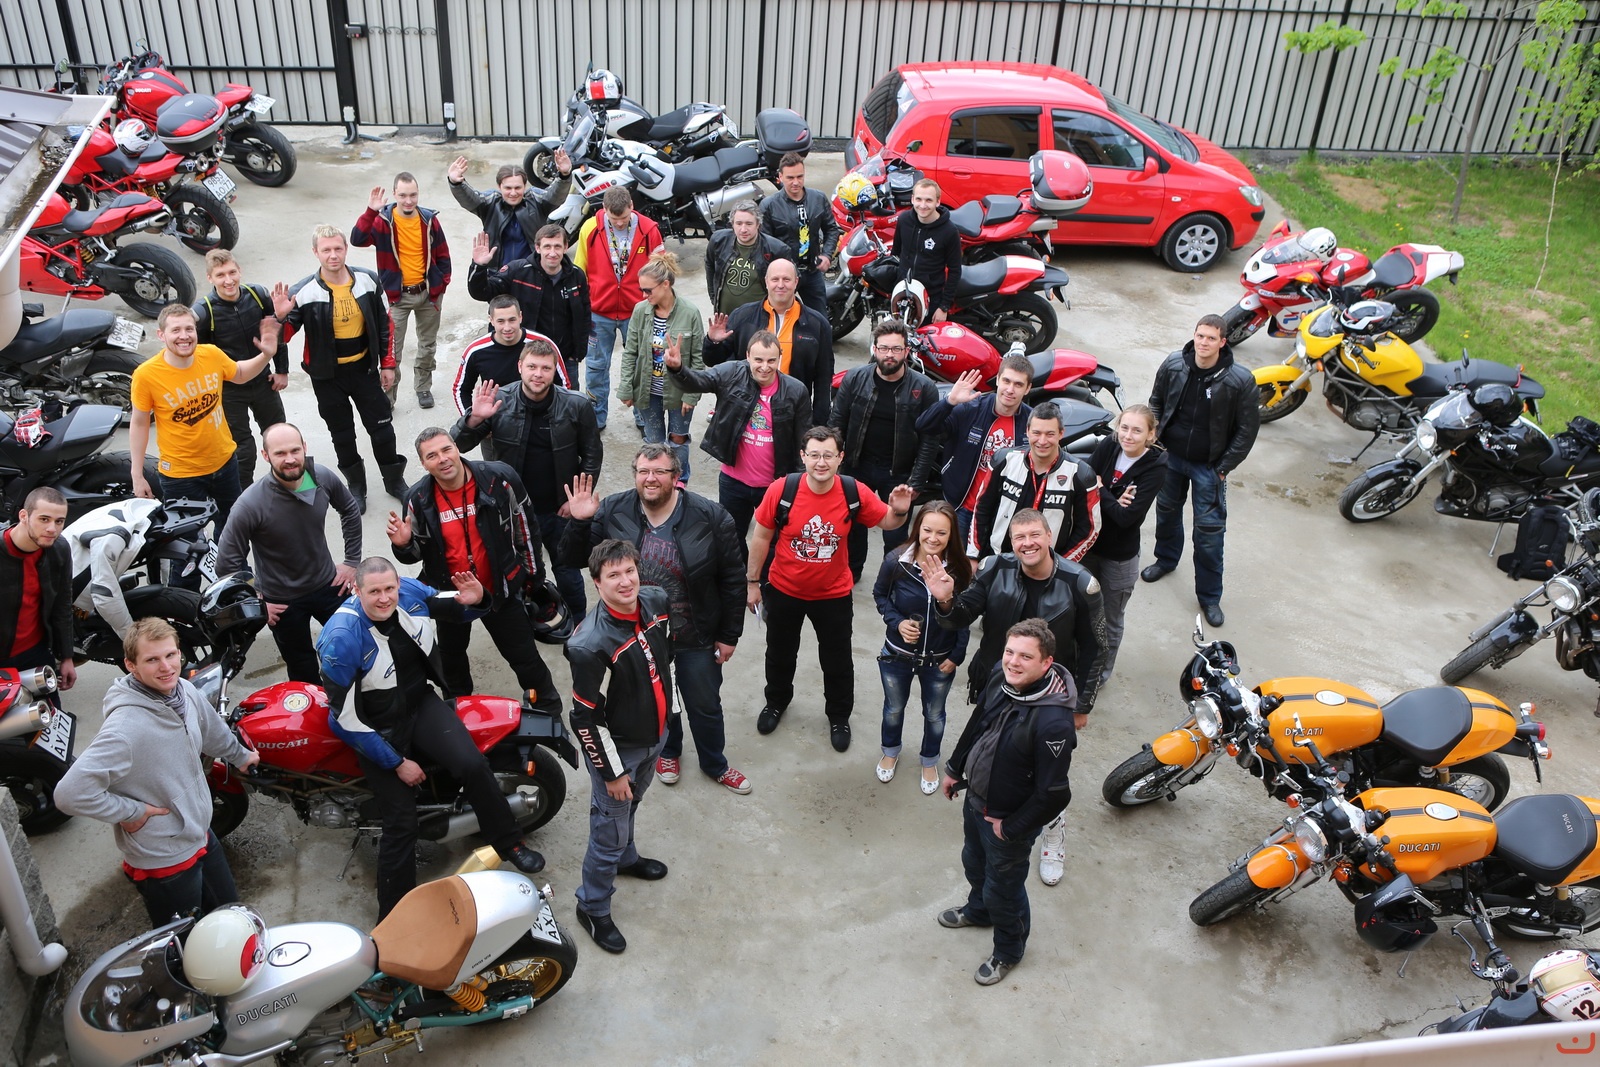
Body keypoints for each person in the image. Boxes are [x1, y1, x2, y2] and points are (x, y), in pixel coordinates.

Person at [319, 558, 546, 919]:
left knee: (472, 764)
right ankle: (394, 918)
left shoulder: (411, 593)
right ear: (356, 591)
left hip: (420, 703)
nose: (384, 598)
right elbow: (344, 720)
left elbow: (456, 607)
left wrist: (478, 599)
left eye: (389, 588)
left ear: (398, 584)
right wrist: (397, 762)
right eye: (374, 592)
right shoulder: (340, 639)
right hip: (376, 726)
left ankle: (509, 842)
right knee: (401, 822)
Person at [926, 508, 1105, 889]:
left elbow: (1095, 648)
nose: (1027, 544)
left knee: (1046, 772)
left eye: (1034, 535)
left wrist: (1081, 704)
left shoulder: (1080, 583)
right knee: (996, 749)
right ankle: (990, 807)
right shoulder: (995, 569)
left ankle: (1052, 832)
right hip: (997, 684)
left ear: (1050, 537)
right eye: (1019, 537)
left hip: (1048, 696)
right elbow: (960, 617)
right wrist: (945, 600)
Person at [560, 445, 751, 795]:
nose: (650, 479)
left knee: (705, 705)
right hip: (639, 638)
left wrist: (729, 635)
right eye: (643, 471)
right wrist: (580, 521)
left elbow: (733, 579)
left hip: (696, 636)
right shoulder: (613, 509)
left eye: (660, 472)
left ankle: (715, 763)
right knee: (660, 704)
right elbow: (573, 559)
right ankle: (669, 752)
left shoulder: (712, 516)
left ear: (676, 477)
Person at [54, 618, 260, 925]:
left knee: (231, 914)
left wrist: (241, 756)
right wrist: (131, 811)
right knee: (183, 939)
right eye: (152, 659)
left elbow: (212, 730)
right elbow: (69, 794)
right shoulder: (125, 729)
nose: (166, 667)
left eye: (171, 654)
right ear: (131, 665)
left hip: (199, 832)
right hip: (165, 857)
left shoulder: (183, 690)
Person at [747, 427, 914, 752]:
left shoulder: (853, 491)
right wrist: (753, 582)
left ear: (840, 458)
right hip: (784, 590)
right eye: (814, 455)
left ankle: (838, 716)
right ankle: (776, 702)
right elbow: (762, 536)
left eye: (828, 455)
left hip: (833, 595)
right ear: (803, 457)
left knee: (837, 660)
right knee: (779, 653)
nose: (820, 462)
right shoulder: (783, 489)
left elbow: (887, 522)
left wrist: (900, 510)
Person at [936, 618, 1076, 987]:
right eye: (1009, 652)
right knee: (973, 861)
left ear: (1046, 663)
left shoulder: (1054, 723)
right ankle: (979, 911)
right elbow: (978, 722)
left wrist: (1010, 828)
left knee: (1004, 889)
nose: (1013, 662)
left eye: (1025, 656)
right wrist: (954, 768)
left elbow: (1055, 794)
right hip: (976, 800)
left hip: (1006, 821)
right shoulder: (1003, 676)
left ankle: (1009, 950)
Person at [388, 427, 563, 711]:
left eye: (446, 449)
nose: (442, 459)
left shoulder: (500, 479)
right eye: (432, 455)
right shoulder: (417, 498)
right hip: (451, 596)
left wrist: (533, 578)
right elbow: (414, 555)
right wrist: (404, 544)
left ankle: (549, 710)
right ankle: (459, 712)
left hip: (499, 590)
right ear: (423, 463)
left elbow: (526, 529)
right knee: (452, 661)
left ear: (457, 448)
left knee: (526, 659)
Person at [565, 539, 676, 954]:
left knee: (633, 807)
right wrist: (612, 774)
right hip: (620, 752)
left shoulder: (656, 602)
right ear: (597, 583)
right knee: (608, 831)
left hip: (655, 736)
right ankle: (592, 906)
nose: (626, 581)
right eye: (613, 575)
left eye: (629, 570)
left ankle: (627, 861)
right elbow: (584, 718)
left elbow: (666, 661)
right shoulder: (588, 644)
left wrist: (671, 718)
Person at [452, 339, 602, 620]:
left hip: (559, 509)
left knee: (567, 571)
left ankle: (579, 623)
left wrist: (574, 501)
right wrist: (474, 419)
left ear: (555, 370)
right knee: (517, 571)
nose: (538, 374)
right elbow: (458, 444)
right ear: (520, 366)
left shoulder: (577, 405)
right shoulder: (500, 400)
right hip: (512, 512)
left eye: (545, 368)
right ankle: (527, 618)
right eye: (532, 367)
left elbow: (592, 455)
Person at [271, 225, 408, 513]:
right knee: (342, 435)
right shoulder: (303, 291)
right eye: (326, 250)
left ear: (346, 249)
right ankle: (356, 487)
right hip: (327, 377)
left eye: (338, 248)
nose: (333, 255)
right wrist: (279, 318)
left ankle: (395, 481)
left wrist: (388, 364)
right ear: (315, 252)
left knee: (383, 430)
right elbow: (282, 338)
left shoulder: (368, 280)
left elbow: (386, 324)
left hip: (365, 371)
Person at [215, 423, 363, 683]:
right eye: (280, 453)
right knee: (302, 669)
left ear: (305, 447)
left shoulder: (321, 477)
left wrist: (352, 561)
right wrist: (256, 602)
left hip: (329, 586)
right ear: (265, 456)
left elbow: (350, 510)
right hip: (281, 602)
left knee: (354, 650)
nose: (290, 459)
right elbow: (226, 563)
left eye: (295, 450)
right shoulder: (250, 504)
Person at [1143, 315, 1261, 627]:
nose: (1203, 343)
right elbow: (1156, 402)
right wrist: (1155, 440)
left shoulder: (1240, 381)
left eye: (1211, 338)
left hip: (1209, 467)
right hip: (1170, 457)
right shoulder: (1174, 365)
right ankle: (1166, 560)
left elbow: (1247, 431)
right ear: (1193, 335)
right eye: (1200, 336)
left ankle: (1209, 597)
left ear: (1223, 342)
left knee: (1209, 535)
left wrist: (1223, 468)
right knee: (1166, 512)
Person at [130, 304, 276, 536]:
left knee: (233, 532)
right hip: (181, 475)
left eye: (189, 329)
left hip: (225, 463)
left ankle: (227, 561)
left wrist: (266, 355)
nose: (184, 336)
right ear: (161, 335)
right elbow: (139, 423)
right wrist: (137, 475)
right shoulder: (146, 375)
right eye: (176, 330)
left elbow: (238, 373)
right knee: (185, 543)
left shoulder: (210, 354)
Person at [666, 330, 808, 537]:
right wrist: (677, 369)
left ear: (780, 357)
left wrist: (801, 483)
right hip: (733, 482)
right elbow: (699, 381)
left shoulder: (796, 391)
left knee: (774, 540)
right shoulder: (731, 372)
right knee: (731, 537)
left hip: (775, 486)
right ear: (747, 356)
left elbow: (803, 441)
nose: (765, 367)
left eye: (771, 360)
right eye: (758, 360)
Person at [829, 318, 941, 582]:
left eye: (896, 349)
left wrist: (916, 482)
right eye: (884, 348)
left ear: (906, 351)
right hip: (857, 467)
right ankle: (852, 573)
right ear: (875, 349)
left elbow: (930, 440)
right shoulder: (855, 378)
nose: (890, 354)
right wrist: (834, 466)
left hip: (898, 474)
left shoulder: (924, 388)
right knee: (853, 526)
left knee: (896, 535)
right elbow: (836, 424)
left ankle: (891, 580)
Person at [872, 501, 970, 795]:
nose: (933, 538)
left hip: (939, 660)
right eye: (927, 530)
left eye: (942, 532)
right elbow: (880, 595)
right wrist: (898, 623)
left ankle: (929, 760)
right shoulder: (896, 561)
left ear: (951, 535)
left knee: (934, 714)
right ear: (918, 529)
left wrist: (957, 655)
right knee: (893, 709)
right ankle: (890, 751)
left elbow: (964, 615)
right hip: (897, 656)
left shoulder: (959, 568)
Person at [351, 172, 453, 407]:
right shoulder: (383, 221)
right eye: (403, 195)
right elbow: (357, 239)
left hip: (428, 295)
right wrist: (370, 212)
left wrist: (442, 284)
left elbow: (443, 253)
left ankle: (423, 388)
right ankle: (388, 398)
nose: (408, 201)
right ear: (394, 194)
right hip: (397, 297)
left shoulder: (429, 220)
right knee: (391, 351)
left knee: (427, 346)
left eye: (413, 195)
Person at [1081, 406, 1166, 685]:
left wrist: (1100, 489)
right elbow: (1083, 479)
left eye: (1137, 430)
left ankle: (1100, 674)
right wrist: (1113, 498)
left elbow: (1126, 518)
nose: (1128, 435)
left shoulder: (1155, 468)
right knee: (1080, 607)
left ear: (1150, 435)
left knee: (1109, 619)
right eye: (1124, 427)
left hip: (1118, 557)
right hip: (1089, 545)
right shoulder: (1110, 445)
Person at [915, 356, 1034, 552]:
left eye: (1018, 384)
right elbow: (924, 426)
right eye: (1006, 381)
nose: (1010, 389)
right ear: (998, 380)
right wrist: (949, 402)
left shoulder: (1032, 422)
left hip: (1000, 515)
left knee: (987, 565)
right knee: (952, 562)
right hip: (961, 506)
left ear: (1028, 388)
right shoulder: (971, 408)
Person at [192, 249, 289, 485]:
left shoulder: (257, 295)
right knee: (243, 451)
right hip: (229, 391)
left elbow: (274, 333)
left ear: (239, 271)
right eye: (220, 275)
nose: (228, 280)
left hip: (264, 382)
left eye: (232, 272)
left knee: (281, 439)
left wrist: (282, 370)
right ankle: (244, 499)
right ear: (210, 278)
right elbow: (199, 358)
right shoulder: (204, 312)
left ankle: (294, 488)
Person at [703, 258, 833, 427]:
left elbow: (823, 378)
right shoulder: (743, 316)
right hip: (745, 411)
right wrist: (713, 342)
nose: (781, 285)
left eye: (786, 279)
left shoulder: (817, 324)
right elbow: (713, 361)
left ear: (796, 282)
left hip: (791, 414)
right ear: (766, 282)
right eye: (775, 279)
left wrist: (818, 425)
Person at [574, 187, 663, 430]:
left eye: (624, 217)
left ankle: (643, 417)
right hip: (598, 312)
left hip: (638, 312)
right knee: (595, 366)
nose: (620, 223)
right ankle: (595, 418)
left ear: (632, 206)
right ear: (604, 210)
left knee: (642, 365)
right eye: (614, 219)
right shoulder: (589, 228)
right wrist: (582, 306)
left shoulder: (649, 230)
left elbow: (661, 272)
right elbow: (579, 270)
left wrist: (656, 306)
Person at [466, 224, 590, 387]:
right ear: (537, 248)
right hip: (525, 357)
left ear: (566, 247)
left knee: (567, 401)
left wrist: (577, 354)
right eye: (547, 246)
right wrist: (479, 267)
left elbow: (584, 316)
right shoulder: (517, 271)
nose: (552, 253)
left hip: (564, 358)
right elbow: (482, 292)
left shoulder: (577, 275)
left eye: (557, 246)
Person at [974, 402, 1099, 563]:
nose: (1042, 441)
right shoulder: (1003, 460)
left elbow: (1089, 529)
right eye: (1036, 433)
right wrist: (974, 556)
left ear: (1061, 433)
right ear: (1027, 431)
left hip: (1047, 569)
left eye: (1050, 434)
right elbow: (981, 509)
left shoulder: (1080, 474)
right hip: (999, 560)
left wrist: (1062, 566)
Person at [618, 250, 703, 477]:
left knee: (678, 440)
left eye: (648, 290)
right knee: (654, 444)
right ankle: (658, 482)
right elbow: (630, 352)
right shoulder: (640, 311)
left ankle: (679, 482)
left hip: (679, 391)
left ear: (666, 284)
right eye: (641, 290)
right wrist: (626, 387)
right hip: (648, 391)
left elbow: (698, 358)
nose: (644, 295)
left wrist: (692, 395)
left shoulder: (690, 313)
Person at [0, 487, 76, 693]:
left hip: (36, 654)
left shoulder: (59, 549)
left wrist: (66, 656)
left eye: (59, 521)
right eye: (44, 519)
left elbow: (63, 604)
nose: (52, 528)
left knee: (52, 712)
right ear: (23, 516)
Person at [64, 497, 169, 641]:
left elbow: (103, 593)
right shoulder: (144, 508)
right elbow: (103, 593)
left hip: (79, 583)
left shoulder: (110, 540)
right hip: (71, 586)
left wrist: (133, 641)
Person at [451, 295, 570, 421]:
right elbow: (460, 390)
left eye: (512, 320)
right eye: (501, 321)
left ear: (520, 317)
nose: (507, 327)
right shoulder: (475, 350)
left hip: (539, 418)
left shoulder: (545, 345)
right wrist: (473, 421)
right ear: (491, 320)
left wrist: (556, 420)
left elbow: (564, 386)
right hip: (495, 423)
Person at [447, 154, 571, 272]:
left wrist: (564, 176)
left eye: (518, 188)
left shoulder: (536, 200)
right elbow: (471, 199)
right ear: (499, 187)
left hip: (533, 273)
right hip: (498, 272)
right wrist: (456, 183)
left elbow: (555, 196)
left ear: (525, 186)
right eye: (508, 188)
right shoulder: (491, 202)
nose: (513, 193)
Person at [759, 152, 839, 312]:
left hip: (812, 271)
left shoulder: (818, 198)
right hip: (784, 275)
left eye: (800, 177)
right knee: (778, 315)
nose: (796, 182)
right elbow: (764, 245)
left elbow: (831, 229)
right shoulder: (769, 206)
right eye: (790, 178)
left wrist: (827, 255)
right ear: (780, 177)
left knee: (819, 319)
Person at [891, 179, 962, 322]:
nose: (923, 205)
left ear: (938, 202)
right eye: (919, 199)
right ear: (912, 199)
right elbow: (895, 254)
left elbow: (955, 271)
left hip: (931, 297)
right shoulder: (904, 220)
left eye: (929, 200)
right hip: (902, 293)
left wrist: (943, 307)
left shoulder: (949, 231)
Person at [706, 200, 790, 315]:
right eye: (739, 223)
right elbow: (709, 265)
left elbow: (790, 280)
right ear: (732, 224)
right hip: (724, 317)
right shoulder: (718, 240)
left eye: (749, 224)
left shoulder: (776, 249)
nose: (743, 229)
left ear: (758, 224)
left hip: (758, 318)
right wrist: (714, 296)